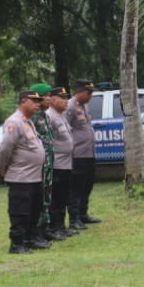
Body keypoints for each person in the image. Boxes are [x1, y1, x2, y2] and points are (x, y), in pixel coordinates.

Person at [0, 90, 47, 254]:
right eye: (34, 101)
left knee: (34, 210)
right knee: (20, 211)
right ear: (24, 101)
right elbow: (5, 149)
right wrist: (2, 169)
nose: (38, 104)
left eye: (39, 101)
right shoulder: (14, 122)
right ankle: (17, 243)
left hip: (34, 177)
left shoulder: (28, 121)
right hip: (21, 177)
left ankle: (30, 238)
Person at [27, 83, 69, 243]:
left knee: (47, 197)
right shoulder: (34, 116)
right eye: (47, 96)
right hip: (39, 165)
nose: (50, 99)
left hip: (49, 164)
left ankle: (45, 228)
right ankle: (36, 231)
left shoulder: (44, 115)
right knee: (39, 197)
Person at [65, 80, 100, 228]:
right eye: (88, 92)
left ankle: (83, 214)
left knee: (87, 185)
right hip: (77, 154)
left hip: (88, 153)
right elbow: (65, 129)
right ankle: (74, 219)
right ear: (79, 91)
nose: (91, 96)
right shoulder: (70, 106)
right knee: (76, 187)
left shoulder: (84, 105)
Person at [44, 87, 77, 237]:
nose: (66, 101)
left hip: (66, 164)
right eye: (63, 98)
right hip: (56, 164)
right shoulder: (49, 116)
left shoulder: (61, 115)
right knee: (55, 198)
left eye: (67, 97)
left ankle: (61, 226)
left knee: (63, 197)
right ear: (54, 99)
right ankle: (53, 228)